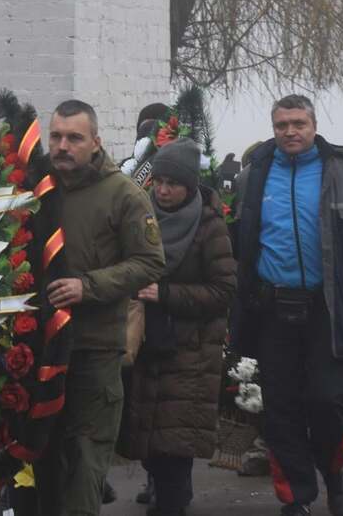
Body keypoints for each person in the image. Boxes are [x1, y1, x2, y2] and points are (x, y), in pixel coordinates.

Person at [232, 94, 343, 516]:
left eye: (299, 123)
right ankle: (296, 496)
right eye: (282, 124)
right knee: (281, 410)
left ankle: (335, 473)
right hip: (272, 312)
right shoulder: (253, 177)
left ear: (314, 124)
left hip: (329, 310)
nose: (290, 131)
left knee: (329, 401)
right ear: (273, 128)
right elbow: (242, 246)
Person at [31, 99, 165, 516]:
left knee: (84, 463)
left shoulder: (123, 194)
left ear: (95, 142)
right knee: (41, 463)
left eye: (74, 138)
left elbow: (150, 262)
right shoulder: (35, 190)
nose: (63, 146)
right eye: (56, 136)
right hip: (38, 351)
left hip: (94, 350)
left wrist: (87, 287)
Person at [123, 138, 236, 516]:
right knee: (149, 442)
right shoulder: (141, 218)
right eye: (159, 181)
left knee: (174, 445)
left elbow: (223, 290)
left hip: (190, 349)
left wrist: (166, 293)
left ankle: (172, 501)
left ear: (189, 186)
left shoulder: (209, 225)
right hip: (146, 344)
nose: (164, 190)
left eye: (173, 183)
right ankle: (163, 489)